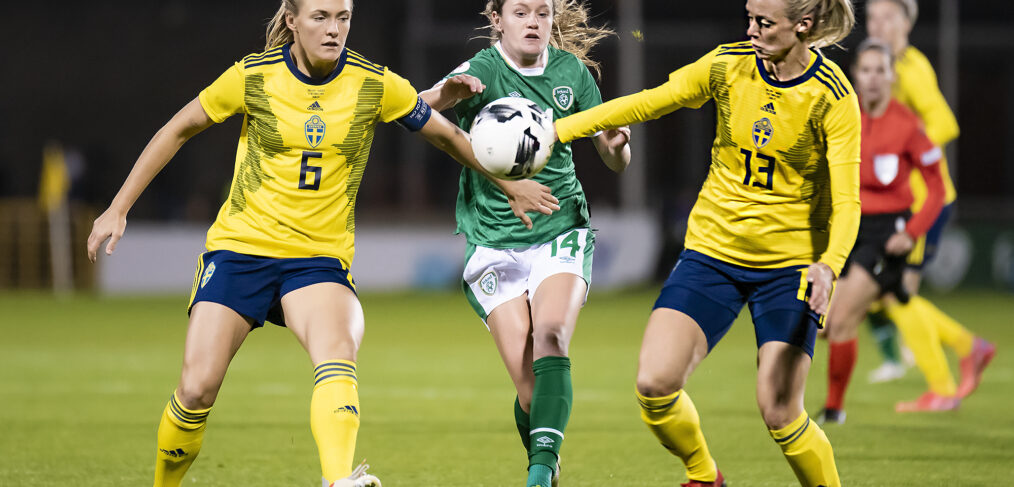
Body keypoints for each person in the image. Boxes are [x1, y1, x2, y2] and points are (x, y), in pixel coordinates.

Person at [85, 1, 557, 486]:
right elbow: (178, 128)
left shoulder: (373, 83)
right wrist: (118, 207)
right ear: (292, 20)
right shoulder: (253, 76)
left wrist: (509, 183)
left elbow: (448, 135)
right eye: (320, 17)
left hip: (317, 260)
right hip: (240, 250)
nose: (334, 30)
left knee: (337, 353)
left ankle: (338, 480)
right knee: (197, 388)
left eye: (344, 17)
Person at [554, 0, 859, 485]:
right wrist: (560, 131)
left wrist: (830, 266)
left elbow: (848, 201)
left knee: (780, 411)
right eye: (749, 17)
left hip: (791, 268)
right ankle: (704, 474)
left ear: (803, 26)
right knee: (654, 385)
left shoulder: (833, 97)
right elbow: (652, 100)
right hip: (712, 255)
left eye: (764, 22)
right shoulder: (727, 63)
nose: (751, 30)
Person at [419, 1, 630, 486]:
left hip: (561, 228)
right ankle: (547, 462)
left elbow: (614, 159)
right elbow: (416, 112)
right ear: (496, 19)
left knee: (552, 334)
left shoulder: (572, 73)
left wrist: (618, 147)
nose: (533, 21)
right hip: (492, 241)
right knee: (532, 392)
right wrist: (447, 93)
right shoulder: (479, 70)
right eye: (520, 12)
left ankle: (537, 477)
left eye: (542, 12)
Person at [858, 0, 996, 389]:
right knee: (885, 291)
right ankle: (943, 354)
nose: (878, 24)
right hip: (902, 200)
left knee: (893, 292)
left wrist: (905, 150)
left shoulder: (910, 68)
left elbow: (945, 123)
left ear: (907, 22)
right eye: (872, 17)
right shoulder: (888, 67)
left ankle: (957, 352)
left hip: (922, 201)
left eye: (888, 17)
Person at [816, 39, 952, 423]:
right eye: (866, 70)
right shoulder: (844, 115)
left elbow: (937, 188)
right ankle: (833, 407)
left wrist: (911, 232)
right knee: (823, 323)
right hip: (846, 225)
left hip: (885, 234)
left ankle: (833, 410)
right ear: (856, 74)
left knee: (841, 318)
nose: (873, 78)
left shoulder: (908, 125)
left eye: (881, 71)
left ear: (892, 77)